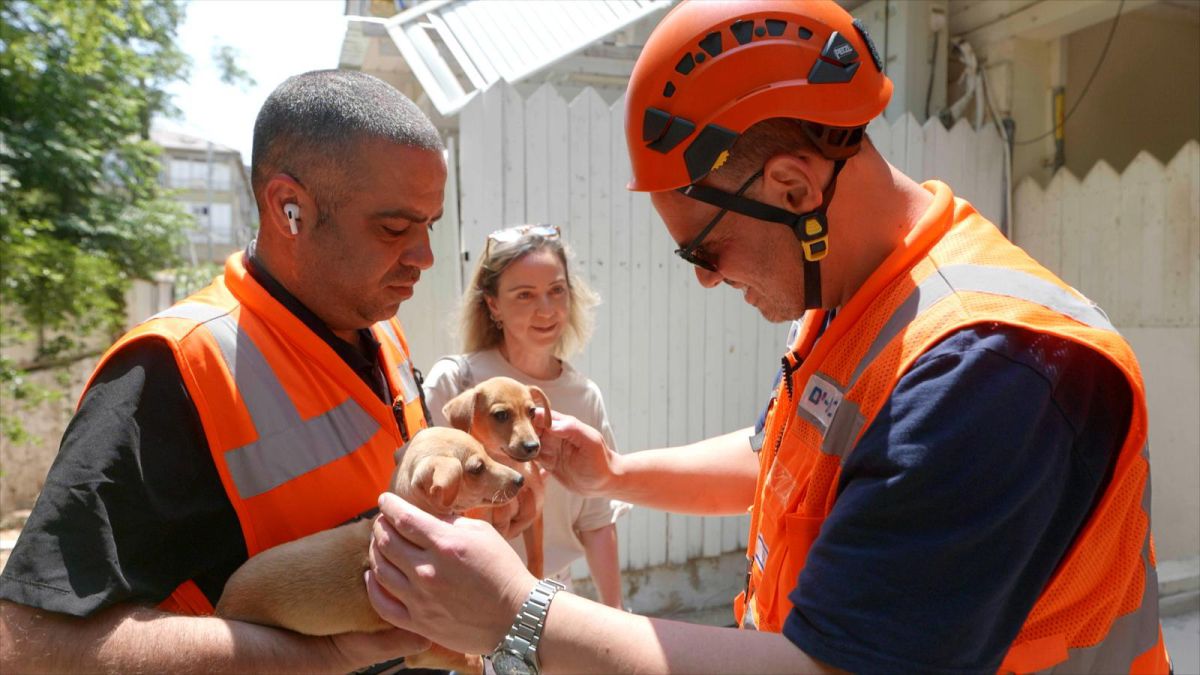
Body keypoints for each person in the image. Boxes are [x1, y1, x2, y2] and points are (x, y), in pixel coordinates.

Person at [362, 1, 1171, 673]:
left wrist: (517, 613)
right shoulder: (863, 298)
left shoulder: (993, 371)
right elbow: (777, 455)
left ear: (792, 187)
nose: (707, 278)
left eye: (703, 249)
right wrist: (617, 472)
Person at [0, 70, 446, 673]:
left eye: (429, 226)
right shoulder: (171, 370)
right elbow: (29, 644)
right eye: (395, 227)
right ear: (289, 207)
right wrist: (317, 657)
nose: (425, 256)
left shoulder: (379, 329)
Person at [422, 224, 629, 609]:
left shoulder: (584, 396)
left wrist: (615, 612)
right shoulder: (455, 384)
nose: (547, 310)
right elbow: (421, 498)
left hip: (552, 594)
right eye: (525, 295)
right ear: (493, 304)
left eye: (556, 290)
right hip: (467, 592)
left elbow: (597, 521)